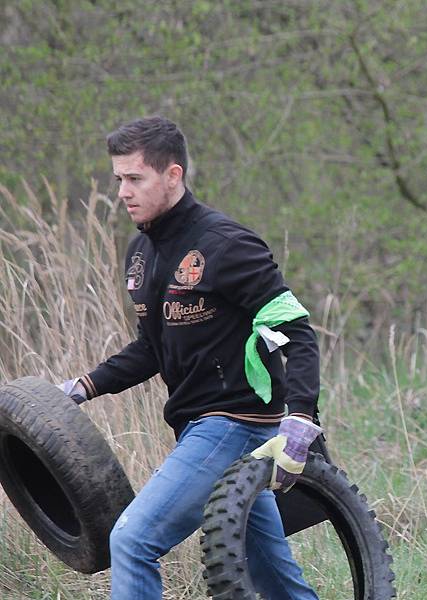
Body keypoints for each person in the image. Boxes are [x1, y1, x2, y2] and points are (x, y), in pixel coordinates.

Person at [58, 116, 321, 600]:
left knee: (133, 541)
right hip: (204, 429)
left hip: (233, 423)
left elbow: (296, 332)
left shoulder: (227, 244)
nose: (122, 192)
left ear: (173, 176)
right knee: (275, 580)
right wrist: (83, 386)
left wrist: (300, 418)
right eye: (118, 179)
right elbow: (153, 348)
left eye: (135, 178)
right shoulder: (141, 253)